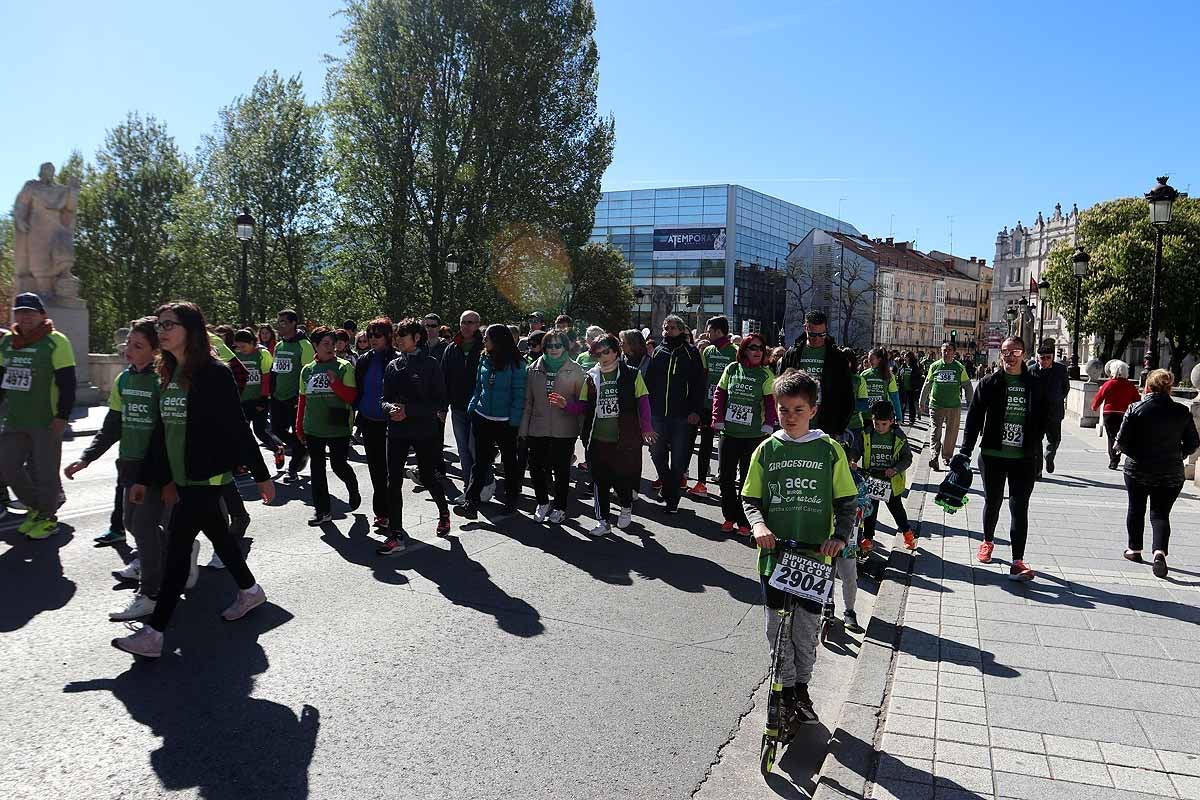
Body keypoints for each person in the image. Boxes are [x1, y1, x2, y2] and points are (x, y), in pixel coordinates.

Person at [112, 301, 274, 659]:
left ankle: (154, 633)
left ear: (191, 330)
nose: (162, 331)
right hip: (182, 476)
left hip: (205, 475)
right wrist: (144, 478)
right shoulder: (168, 371)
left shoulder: (213, 373)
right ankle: (250, 591)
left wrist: (262, 475)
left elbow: (236, 426)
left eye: (170, 324)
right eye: (159, 325)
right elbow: (161, 432)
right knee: (219, 534)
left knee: (177, 549)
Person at [741, 370, 857, 727]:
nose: (790, 417)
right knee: (775, 629)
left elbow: (847, 501)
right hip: (775, 557)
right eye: (784, 409)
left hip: (814, 559)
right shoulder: (767, 449)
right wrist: (758, 525)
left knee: (804, 634)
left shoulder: (829, 450)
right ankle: (785, 689)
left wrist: (838, 536)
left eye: (798, 410)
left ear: (813, 410)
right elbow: (751, 498)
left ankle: (801, 688)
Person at [65, 317, 198, 621]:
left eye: (137, 345)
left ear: (154, 351)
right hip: (129, 465)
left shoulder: (162, 380)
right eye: (128, 343)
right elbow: (112, 425)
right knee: (133, 523)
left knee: (144, 525)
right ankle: (181, 554)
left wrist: (162, 478)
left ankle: (150, 592)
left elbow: (166, 432)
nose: (128, 349)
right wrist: (87, 457)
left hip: (153, 469)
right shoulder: (124, 380)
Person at [959, 336, 1048, 581]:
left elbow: (1047, 416)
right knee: (993, 501)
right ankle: (987, 541)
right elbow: (974, 419)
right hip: (993, 455)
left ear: (1024, 354)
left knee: (1019, 507)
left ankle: (1018, 561)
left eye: (1015, 351)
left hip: (1024, 457)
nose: (1009, 356)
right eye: (1005, 352)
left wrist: (1047, 446)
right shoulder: (990, 382)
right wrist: (965, 451)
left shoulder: (1034, 384)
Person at [0, 292, 75, 540]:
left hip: (46, 419)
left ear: (42, 314)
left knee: (45, 472)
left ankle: (47, 518)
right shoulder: (8, 342)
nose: (25, 317)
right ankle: (39, 507)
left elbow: (68, 383)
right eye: (20, 312)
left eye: (30, 312)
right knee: (7, 466)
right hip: (16, 418)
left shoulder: (56, 341)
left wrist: (62, 416)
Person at [376, 318, 452, 554]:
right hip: (397, 432)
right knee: (393, 481)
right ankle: (396, 535)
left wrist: (409, 411)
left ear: (416, 338)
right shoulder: (393, 365)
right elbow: (384, 399)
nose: (398, 340)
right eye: (396, 336)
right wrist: (390, 409)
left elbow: (440, 401)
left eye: (403, 336)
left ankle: (443, 512)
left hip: (423, 431)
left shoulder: (431, 365)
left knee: (428, 477)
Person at [1116, 369, 1199, 578]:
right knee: (1160, 513)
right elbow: (1193, 443)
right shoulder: (1182, 411)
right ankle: (1159, 552)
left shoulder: (1135, 408)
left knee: (1136, 509)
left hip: (1138, 469)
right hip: (1171, 471)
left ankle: (1134, 550)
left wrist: (1136, 454)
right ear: (1169, 388)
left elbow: (1121, 442)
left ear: (1148, 386)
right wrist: (1177, 455)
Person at [571, 334, 655, 534]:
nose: (603, 356)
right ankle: (603, 521)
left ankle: (626, 506)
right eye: (598, 353)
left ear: (616, 351)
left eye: (606, 351)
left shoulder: (632, 374)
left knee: (622, 480)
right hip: (597, 439)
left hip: (623, 439)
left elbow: (643, 402)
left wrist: (647, 428)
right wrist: (566, 405)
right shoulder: (591, 377)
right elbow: (583, 406)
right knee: (599, 481)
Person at [454, 324, 526, 519]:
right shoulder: (484, 358)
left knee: (510, 463)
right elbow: (479, 386)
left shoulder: (517, 364)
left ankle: (511, 500)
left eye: (487, 337)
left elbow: (519, 394)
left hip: (505, 422)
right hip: (482, 417)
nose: (484, 340)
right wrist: (472, 406)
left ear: (498, 340)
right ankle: (471, 502)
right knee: (480, 462)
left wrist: (514, 420)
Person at [711, 333, 777, 534]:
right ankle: (729, 517)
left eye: (761, 348)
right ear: (744, 350)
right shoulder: (732, 369)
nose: (758, 352)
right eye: (753, 348)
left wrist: (768, 425)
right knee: (726, 478)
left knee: (748, 482)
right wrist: (717, 418)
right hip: (729, 434)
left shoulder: (766, 375)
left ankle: (745, 521)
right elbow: (719, 394)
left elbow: (770, 403)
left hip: (753, 436)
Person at [297, 326, 360, 526]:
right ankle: (322, 511)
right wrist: (299, 427)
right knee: (317, 470)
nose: (331, 347)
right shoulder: (307, 370)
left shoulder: (344, 367)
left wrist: (336, 384)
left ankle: (352, 485)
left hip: (337, 426)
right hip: (313, 427)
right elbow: (302, 401)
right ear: (315, 345)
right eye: (325, 344)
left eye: (333, 344)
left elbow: (351, 397)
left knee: (338, 465)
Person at [520, 330, 584, 524]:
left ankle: (560, 507)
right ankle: (542, 502)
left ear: (565, 347)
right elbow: (527, 402)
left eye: (558, 345)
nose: (554, 349)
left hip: (565, 429)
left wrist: (568, 406)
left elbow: (584, 404)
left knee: (561, 470)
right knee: (536, 468)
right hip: (537, 427)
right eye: (550, 345)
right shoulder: (533, 369)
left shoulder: (576, 370)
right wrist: (523, 429)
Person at [645, 314, 706, 513]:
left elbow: (699, 384)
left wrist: (696, 410)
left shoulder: (691, 352)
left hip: (682, 415)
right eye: (666, 327)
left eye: (672, 327)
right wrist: (646, 409)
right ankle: (668, 484)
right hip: (658, 414)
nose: (668, 330)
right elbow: (649, 382)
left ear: (682, 330)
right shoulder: (658, 351)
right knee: (656, 453)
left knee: (679, 458)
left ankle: (672, 499)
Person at [778, 311, 854, 438]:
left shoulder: (837, 356)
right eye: (812, 335)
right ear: (806, 328)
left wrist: (839, 427)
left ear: (826, 330)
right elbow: (781, 388)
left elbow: (847, 394)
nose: (817, 339)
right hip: (795, 420)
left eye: (822, 334)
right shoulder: (793, 353)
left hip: (826, 422)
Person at [852, 401, 915, 552]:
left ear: (891, 421)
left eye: (884, 424)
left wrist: (895, 469)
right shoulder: (867, 434)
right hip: (872, 478)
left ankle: (907, 533)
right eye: (876, 424)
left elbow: (907, 458)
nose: (879, 428)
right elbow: (857, 449)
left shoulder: (899, 437)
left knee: (896, 509)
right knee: (870, 510)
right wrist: (853, 460)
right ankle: (868, 538)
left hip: (891, 481)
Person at [354, 317, 397, 529]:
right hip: (369, 422)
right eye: (370, 335)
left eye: (377, 335)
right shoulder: (364, 360)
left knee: (389, 472)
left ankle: (391, 514)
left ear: (389, 336)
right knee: (376, 470)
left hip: (391, 424)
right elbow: (358, 391)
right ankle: (381, 513)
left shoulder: (397, 359)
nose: (372, 340)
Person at [442, 310, 490, 502]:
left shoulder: (485, 347)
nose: (467, 326)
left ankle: (486, 483)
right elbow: (443, 378)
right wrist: (442, 407)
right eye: (464, 322)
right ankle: (469, 488)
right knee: (463, 449)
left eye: (471, 322)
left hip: (480, 408)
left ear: (478, 324)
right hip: (458, 407)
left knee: (475, 448)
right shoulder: (452, 348)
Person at [692, 315, 737, 498]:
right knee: (705, 444)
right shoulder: (708, 351)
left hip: (729, 407)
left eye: (709, 331)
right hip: (708, 405)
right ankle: (701, 482)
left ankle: (726, 483)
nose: (707, 334)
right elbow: (703, 377)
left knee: (727, 448)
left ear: (718, 332)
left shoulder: (735, 352)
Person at [270, 309, 314, 481]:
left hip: (295, 398)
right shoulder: (279, 345)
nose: (279, 325)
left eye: (283, 322)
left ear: (293, 323)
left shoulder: (304, 345)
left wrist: (300, 396)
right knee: (276, 430)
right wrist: (272, 393)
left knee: (296, 433)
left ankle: (293, 469)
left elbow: (308, 373)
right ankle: (302, 450)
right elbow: (274, 371)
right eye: (278, 322)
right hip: (278, 397)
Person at [919, 341, 974, 471]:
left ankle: (947, 456)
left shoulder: (959, 367)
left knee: (951, 432)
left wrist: (970, 403)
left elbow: (967, 386)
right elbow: (927, 384)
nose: (947, 352)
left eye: (949, 350)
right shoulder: (934, 366)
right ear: (941, 352)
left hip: (954, 406)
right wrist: (922, 401)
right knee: (935, 431)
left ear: (954, 353)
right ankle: (934, 456)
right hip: (936, 405)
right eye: (944, 350)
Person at [233, 329, 284, 458]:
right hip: (242, 400)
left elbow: (267, 377)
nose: (241, 349)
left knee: (259, 431)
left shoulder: (262, 353)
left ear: (252, 343)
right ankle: (243, 461)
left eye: (243, 346)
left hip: (258, 399)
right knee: (241, 432)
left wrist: (263, 397)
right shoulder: (235, 354)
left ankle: (277, 448)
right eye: (238, 346)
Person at [1029, 343, 1069, 474]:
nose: (1045, 360)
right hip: (1036, 413)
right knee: (1036, 442)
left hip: (1054, 412)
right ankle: (1037, 470)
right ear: (1037, 358)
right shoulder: (1030, 370)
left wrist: (1057, 398)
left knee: (1055, 439)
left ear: (1052, 358)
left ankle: (1049, 456)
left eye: (1048, 357)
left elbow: (1065, 388)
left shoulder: (1061, 370)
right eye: (1042, 357)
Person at [1092, 360, 1140, 470]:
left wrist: (1095, 406)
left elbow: (1099, 396)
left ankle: (1113, 460)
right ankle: (1119, 456)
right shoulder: (1130, 385)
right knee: (1121, 436)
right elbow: (1137, 400)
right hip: (1124, 414)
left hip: (1109, 414)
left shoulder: (1108, 384)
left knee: (1111, 437)